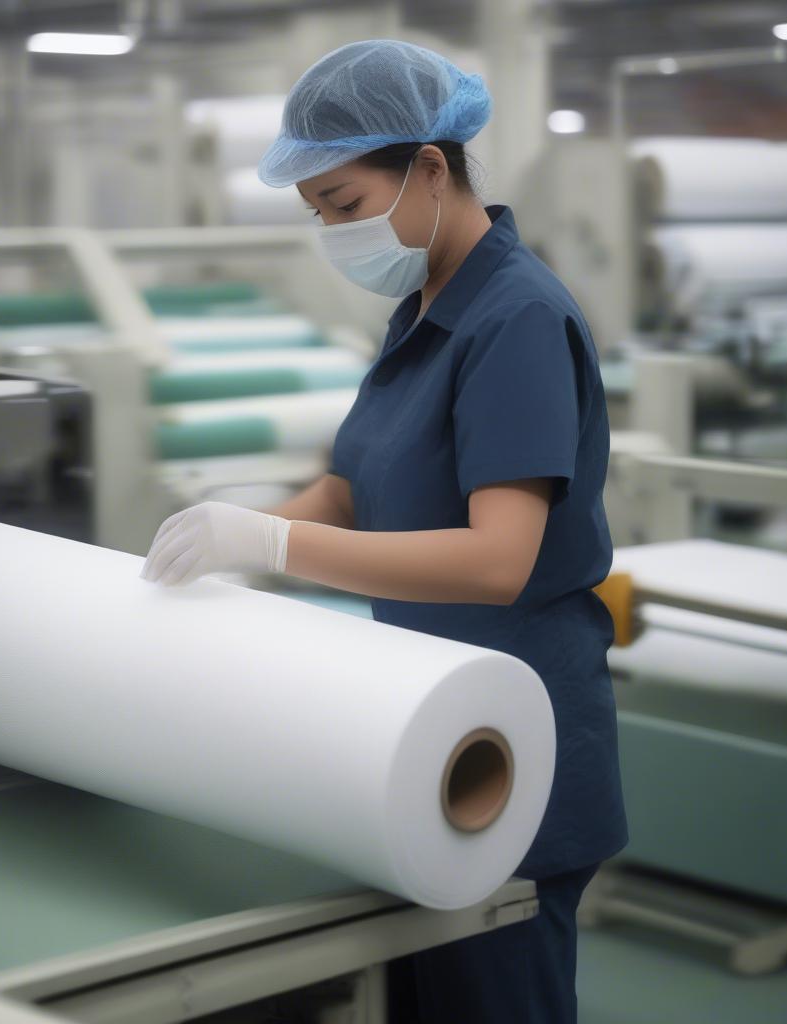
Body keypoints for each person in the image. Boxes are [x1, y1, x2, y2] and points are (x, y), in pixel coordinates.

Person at [140, 38, 628, 1024]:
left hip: (511, 741)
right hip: (414, 724)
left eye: (348, 206)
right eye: (318, 213)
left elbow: (500, 559)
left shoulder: (515, 320)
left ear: (431, 169)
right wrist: (224, 537)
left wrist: (271, 547)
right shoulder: (423, 304)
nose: (335, 233)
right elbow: (351, 490)